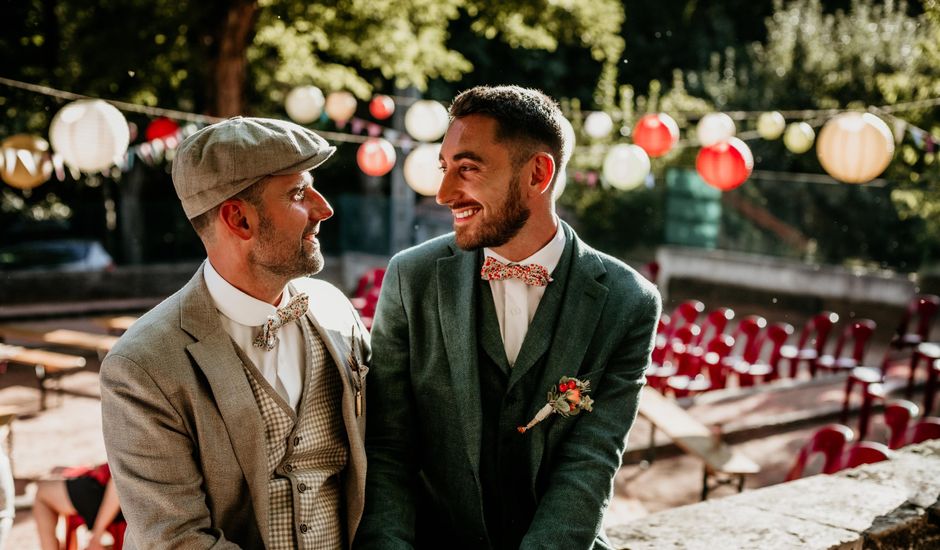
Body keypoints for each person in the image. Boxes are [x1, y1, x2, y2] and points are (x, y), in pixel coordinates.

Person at [355, 86, 661, 549]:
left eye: (468, 169)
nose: (442, 194)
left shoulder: (628, 302)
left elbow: (589, 462)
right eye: (444, 168)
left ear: (537, 174)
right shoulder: (410, 277)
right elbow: (387, 449)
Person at [100, 117, 369, 549]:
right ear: (239, 219)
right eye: (299, 193)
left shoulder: (336, 309)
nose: (324, 209)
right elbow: (177, 540)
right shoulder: (141, 366)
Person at [33, 463, 121, 550]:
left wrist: (96, 536)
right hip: (112, 479)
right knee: (55, 471)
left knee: (43, 493)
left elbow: (118, 482)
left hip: (112, 493)